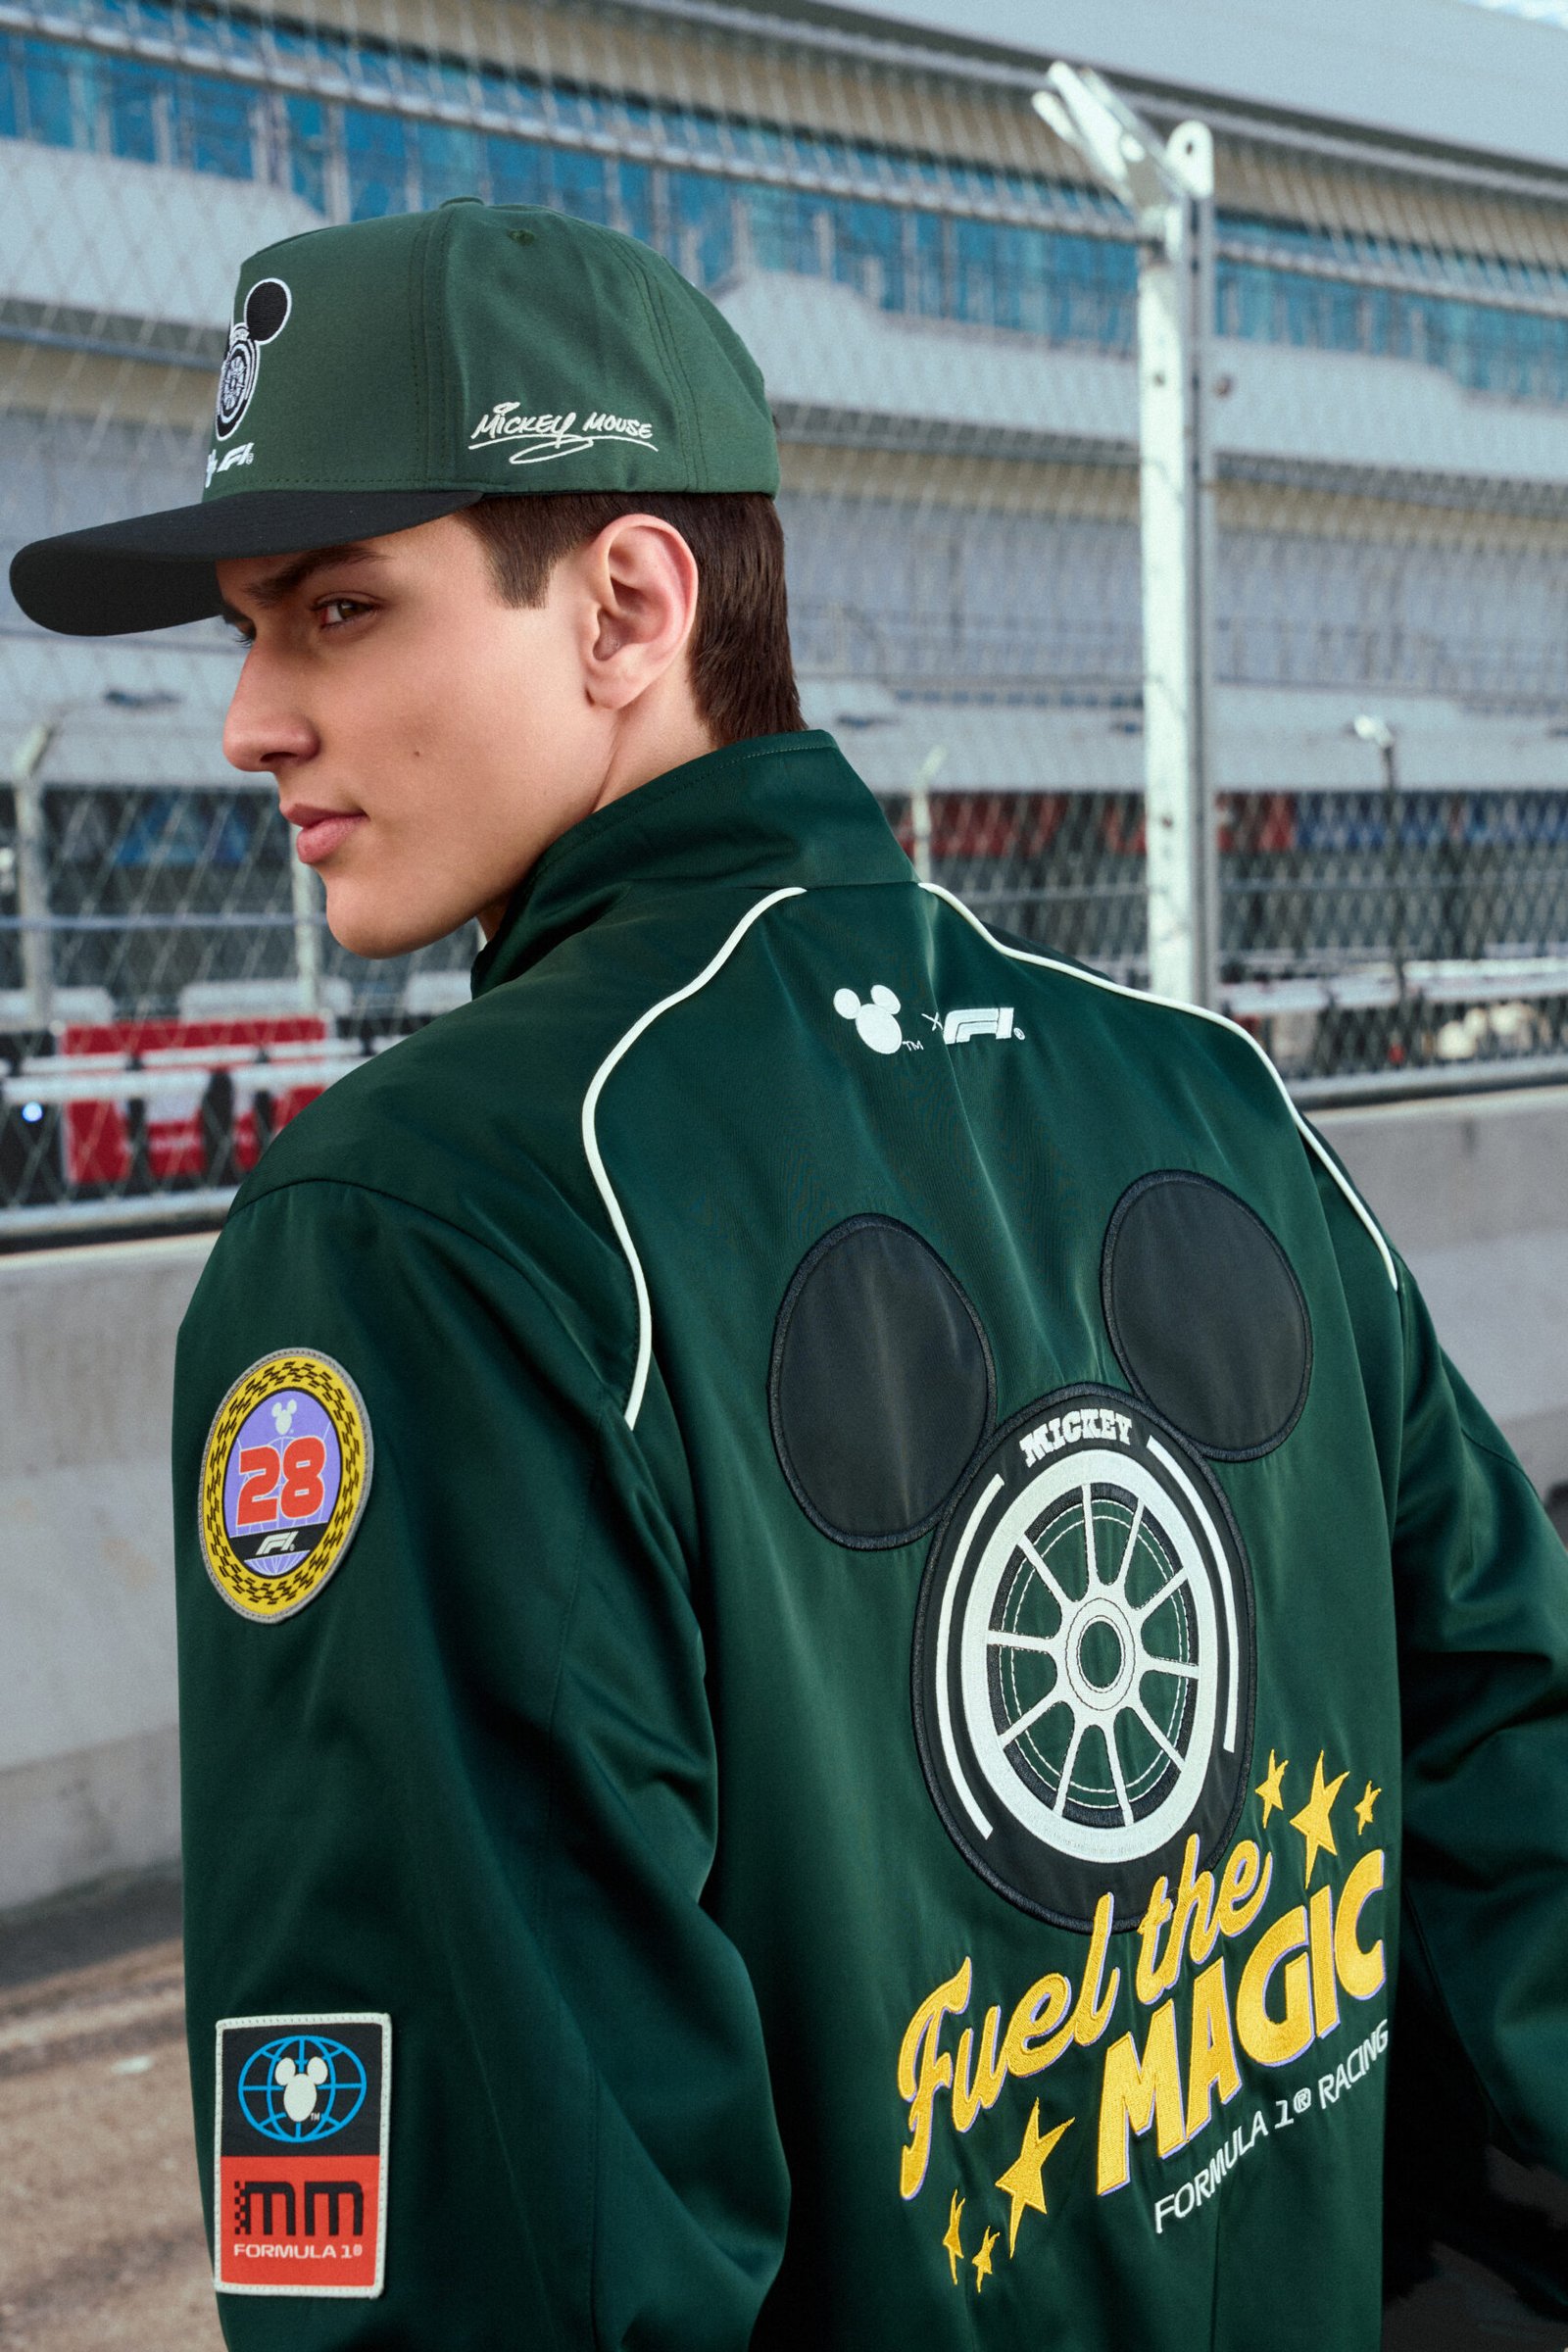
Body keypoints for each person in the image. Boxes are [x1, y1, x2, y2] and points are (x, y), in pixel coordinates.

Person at [11, 198, 1568, 2351]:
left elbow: (508, 2245)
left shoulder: (427, 1227)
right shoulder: (1200, 1090)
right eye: (243, 633)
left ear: (627, 607)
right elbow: (1511, 1784)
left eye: (341, 609)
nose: (251, 720)